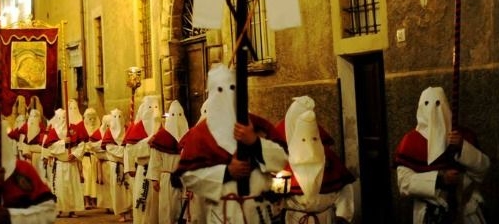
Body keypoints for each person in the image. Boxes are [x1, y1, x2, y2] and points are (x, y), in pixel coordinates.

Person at [176, 63, 288, 224]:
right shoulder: (200, 135)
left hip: (258, 213)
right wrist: (226, 172)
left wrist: (255, 142)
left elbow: (281, 161)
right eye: (220, 90)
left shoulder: (258, 126)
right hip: (222, 215)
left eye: (232, 89)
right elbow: (189, 177)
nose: (227, 96)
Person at [393, 86, 490, 224]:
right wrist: (440, 179)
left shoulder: (463, 136)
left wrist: (463, 146)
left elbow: (483, 169)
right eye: (427, 104)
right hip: (429, 214)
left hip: (465, 211)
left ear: (445, 105)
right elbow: (404, 183)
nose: (432, 111)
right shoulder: (410, 141)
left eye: (438, 104)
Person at [277, 96, 356, 224]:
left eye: (314, 140)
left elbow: (344, 188)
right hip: (295, 219)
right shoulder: (285, 163)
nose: (308, 146)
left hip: (324, 218)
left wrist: (343, 216)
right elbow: (277, 198)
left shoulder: (329, 158)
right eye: (303, 141)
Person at [147, 100, 189, 224]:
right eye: (174, 115)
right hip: (167, 180)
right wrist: (155, 178)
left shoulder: (189, 136)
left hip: (184, 179)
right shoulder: (161, 138)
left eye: (179, 115)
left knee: (184, 210)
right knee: (167, 210)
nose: (177, 120)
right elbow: (155, 159)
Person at [124, 95, 162, 224]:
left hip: (158, 174)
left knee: (156, 205)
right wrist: (147, 141)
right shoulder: (137, 128)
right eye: (150, 108)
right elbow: (130, 150)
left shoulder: (162, 128)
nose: (153, 111)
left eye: (156, 107)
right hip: (143, 171)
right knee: (142, 204)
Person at [43, 106, 85, 218]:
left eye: (64, 118)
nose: (62, 120)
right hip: (60, 164)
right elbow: (51, 147)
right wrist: (63, 142)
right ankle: (59, 209)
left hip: (71, 163)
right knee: (60, 188)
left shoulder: (74, 129)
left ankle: (72, 210)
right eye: (60, 118)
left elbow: (81, 144)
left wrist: (75, 154)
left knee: (72, 188)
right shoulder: (53, 131)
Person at [102, 108, 133, 222]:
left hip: (128, 165)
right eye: (115, 117)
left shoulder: (128, 130)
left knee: (129, 189)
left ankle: (130, 210)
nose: (118, 120)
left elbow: (131, 145)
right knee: (119, 191)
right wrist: (125, 151)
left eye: (120, 117)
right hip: (116, 166)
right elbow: (110, 148)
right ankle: (122, 213)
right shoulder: (109, 133)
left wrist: (126, 151)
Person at [82, 107, 102, 209]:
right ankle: (86, 200)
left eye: (94, 118)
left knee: (95, 179)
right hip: (85, 158)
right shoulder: (82, 129)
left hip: (95, 157)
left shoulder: (99, 129)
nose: (92, 121)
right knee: (87, 179)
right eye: (90, 119)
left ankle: (95, 200)